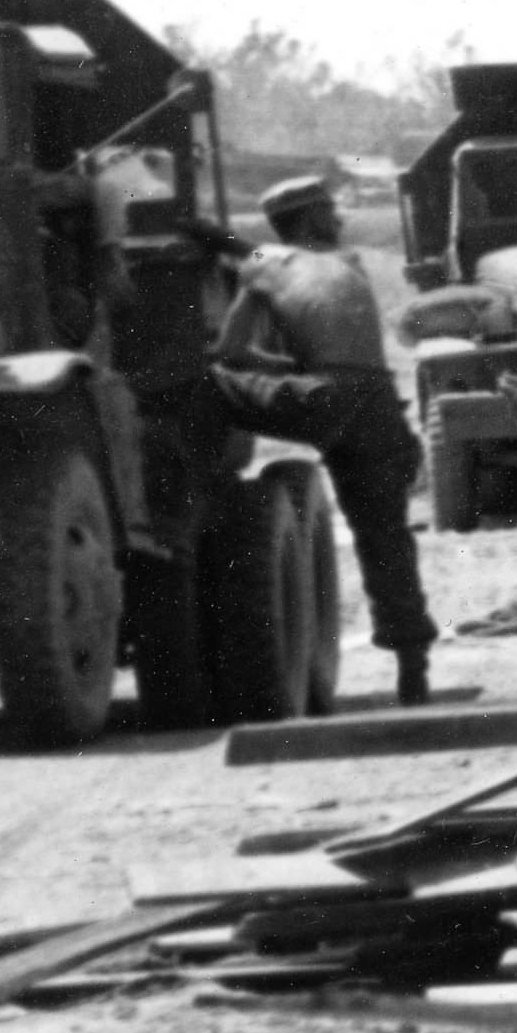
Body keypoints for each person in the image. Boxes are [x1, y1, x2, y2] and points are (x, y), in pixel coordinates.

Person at [214, 172, 434, 701]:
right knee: (385, 538)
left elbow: (232, 351)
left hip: (322, 398)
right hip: (380, 404)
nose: (338, 219)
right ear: (311, 218)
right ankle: (412, 666)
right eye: (329, 211)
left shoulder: (260, 267)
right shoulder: (352, 263)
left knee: (208, 380)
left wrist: (287, 371)